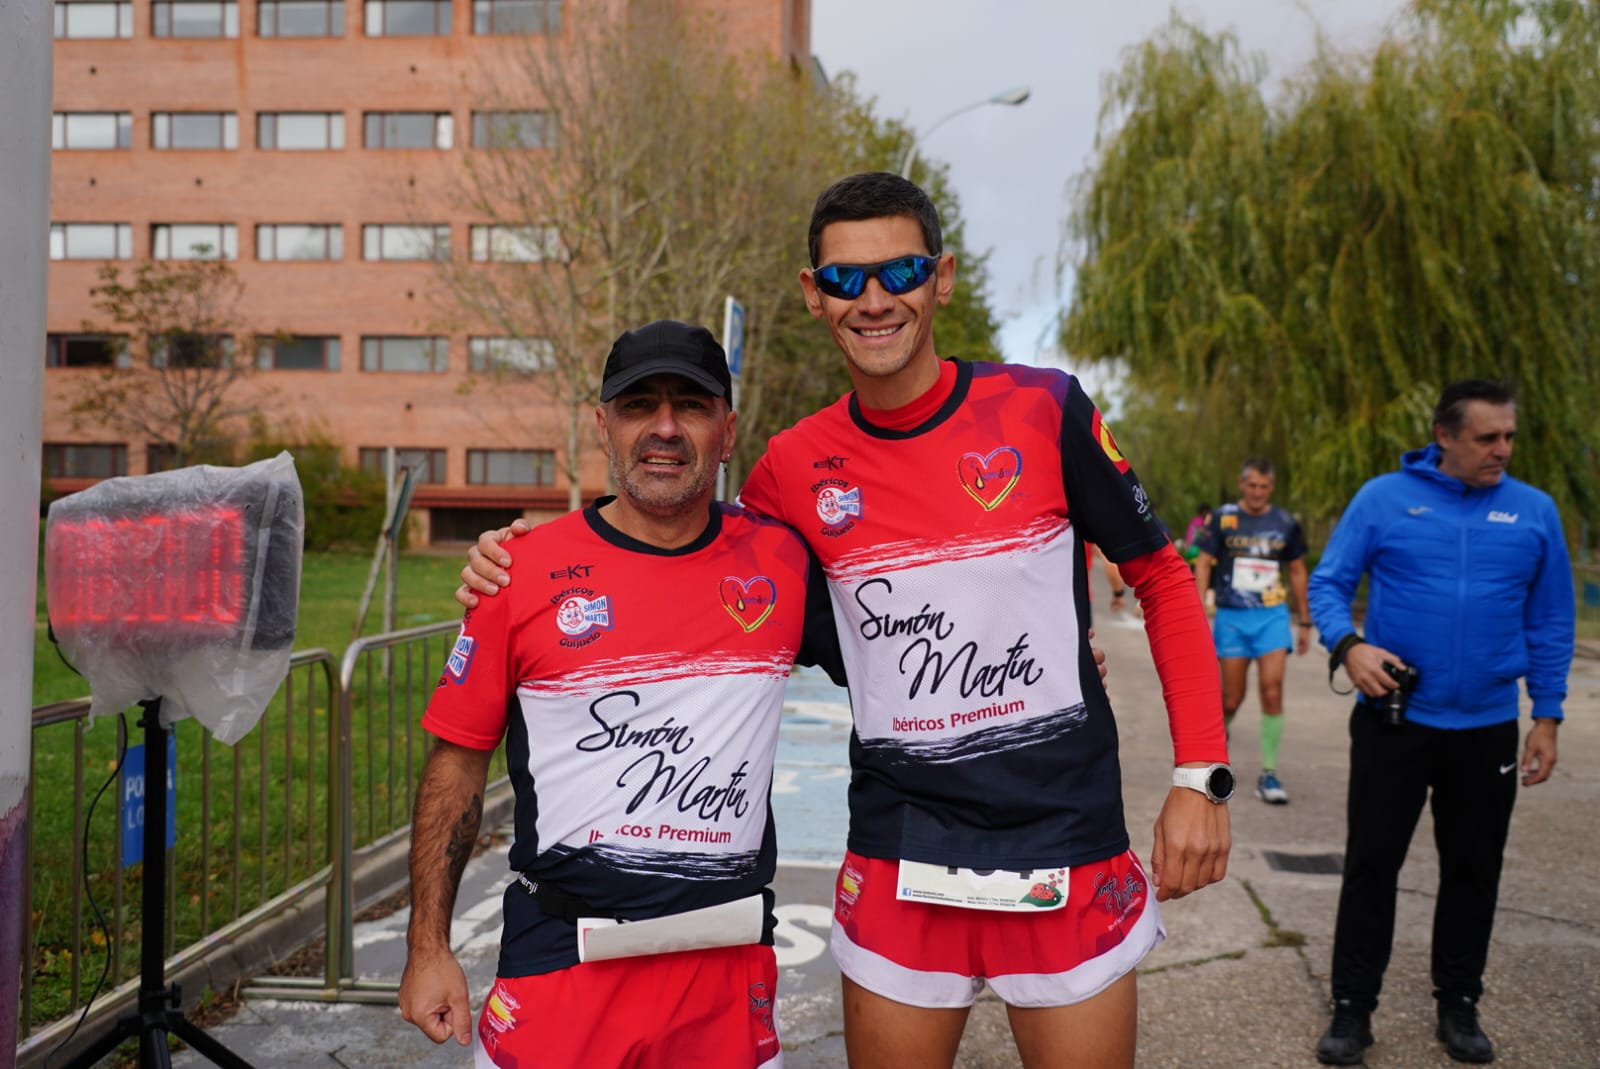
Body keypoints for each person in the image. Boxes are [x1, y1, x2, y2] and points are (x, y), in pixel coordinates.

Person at [460, 172, 1232, 1069]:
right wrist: (532, 556)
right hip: (902, 855)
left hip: (1063, 839)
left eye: (897, 270)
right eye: (842, 280)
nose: (872, 299)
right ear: (812, 295)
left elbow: (1164, 579)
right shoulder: (790, 468)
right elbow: (680, 549)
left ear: (940, 277)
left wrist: (1199, 776)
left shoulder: (1043, 407)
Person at [398, 320, 847, 1068]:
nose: (664, 427)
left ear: (728, 430)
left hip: (726, 977)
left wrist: (1067, 650)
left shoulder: (783, 563)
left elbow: (895, 647)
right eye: (639, 404)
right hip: (560, 972)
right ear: (604, 425)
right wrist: (428, 946)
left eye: (691, 405)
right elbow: (456, 767)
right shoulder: (519, 571)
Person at [1307, 379, 1573, 1066]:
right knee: (1372, 865)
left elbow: (1549, 621)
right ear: (1445, 436)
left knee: (1473, 869)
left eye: (1509, 435)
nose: (1503, 449)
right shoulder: (1383, 499)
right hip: (1396, 721)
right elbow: (1328, 583)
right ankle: (1352, 1008)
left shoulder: (1534, 512)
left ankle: (1459, 1005)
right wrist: (1350, 644)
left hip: (1486, 726)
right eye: (1488, 437)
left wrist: (1547, 714)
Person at [1192, 458, 1310, 804]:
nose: (1258, 493)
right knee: (1231, 697)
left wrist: (1304, 621)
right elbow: (1202, 560)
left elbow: (1298, 570)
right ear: (1242, 484)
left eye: (1264, 487)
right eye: (1252, 485)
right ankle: (1217, 744)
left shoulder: (1286, 523)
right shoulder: (1223, 518)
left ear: (1271, 488)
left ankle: (1269, 774)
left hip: (1272, 616)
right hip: (1232, 617)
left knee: (1272, 690)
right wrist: (1198, 608)